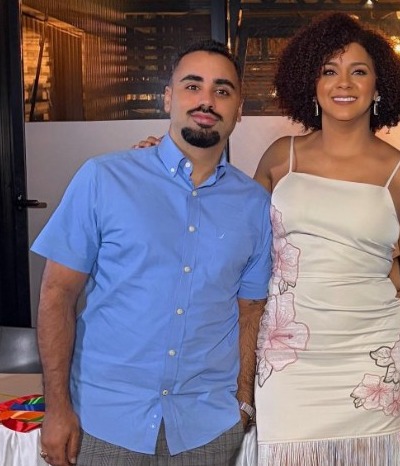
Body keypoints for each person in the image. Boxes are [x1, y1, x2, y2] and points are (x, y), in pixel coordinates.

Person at [32, 40, 272, 466]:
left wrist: (243, 401)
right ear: (167, 97)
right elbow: (56, 295)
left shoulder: (254, 204)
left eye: (222, 90)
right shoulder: (104, 178)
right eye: (192, 86)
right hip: (103, 423)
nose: (206, 100)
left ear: (239, 108)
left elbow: (249, 311)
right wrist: (57, 408)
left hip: (207, 430)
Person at [251, 13, 400, 464]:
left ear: (379, 85)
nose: (344, 83)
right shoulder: (280, 158)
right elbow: (240, 248)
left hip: (373, 358)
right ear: (311, 83)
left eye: (359, 71)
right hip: (289, 366)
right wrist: (172, 163)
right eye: (329, 70)